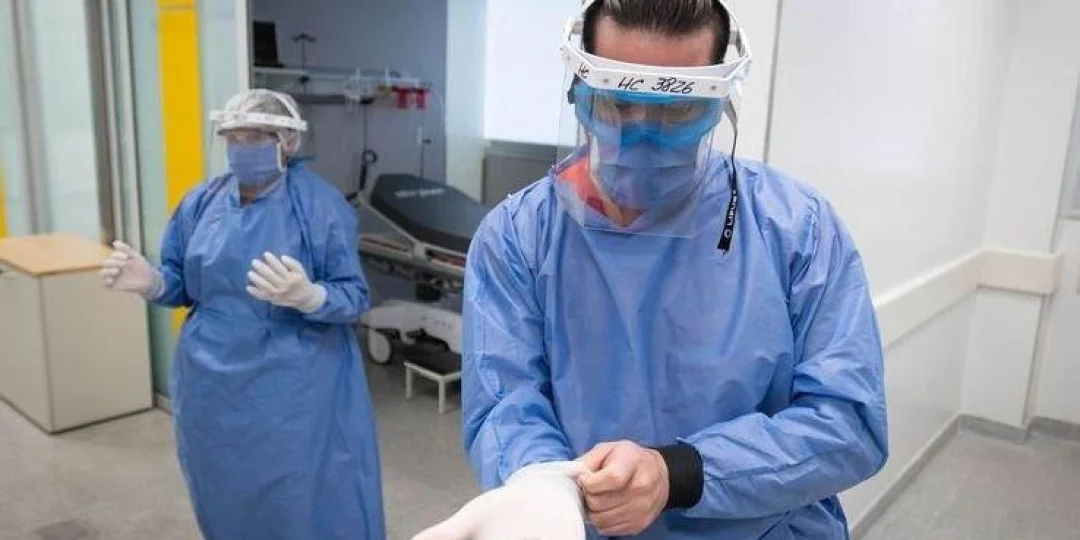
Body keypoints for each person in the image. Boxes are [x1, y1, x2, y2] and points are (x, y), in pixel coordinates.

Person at [412, 1, 887, 539]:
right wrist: (546, 486)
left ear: (719, 104)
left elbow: (849, 423)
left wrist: (677, 474)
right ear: (578, 91)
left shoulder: (797, 228)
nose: (640, 136)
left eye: (676, 111)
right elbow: (505, 406)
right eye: (617, 104)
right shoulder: (518, 238)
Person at [101, 89, 385, 540]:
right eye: (232, 137)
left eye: (255, 137)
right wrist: (152, 282)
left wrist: (311, 297)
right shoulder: (202, 202)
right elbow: (182, 284)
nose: (240, 147)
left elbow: (353, 296)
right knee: (223, 490)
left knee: (300, 495)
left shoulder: (319, 207)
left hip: (296, 387)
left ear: (287, 142)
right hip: (211, 383)